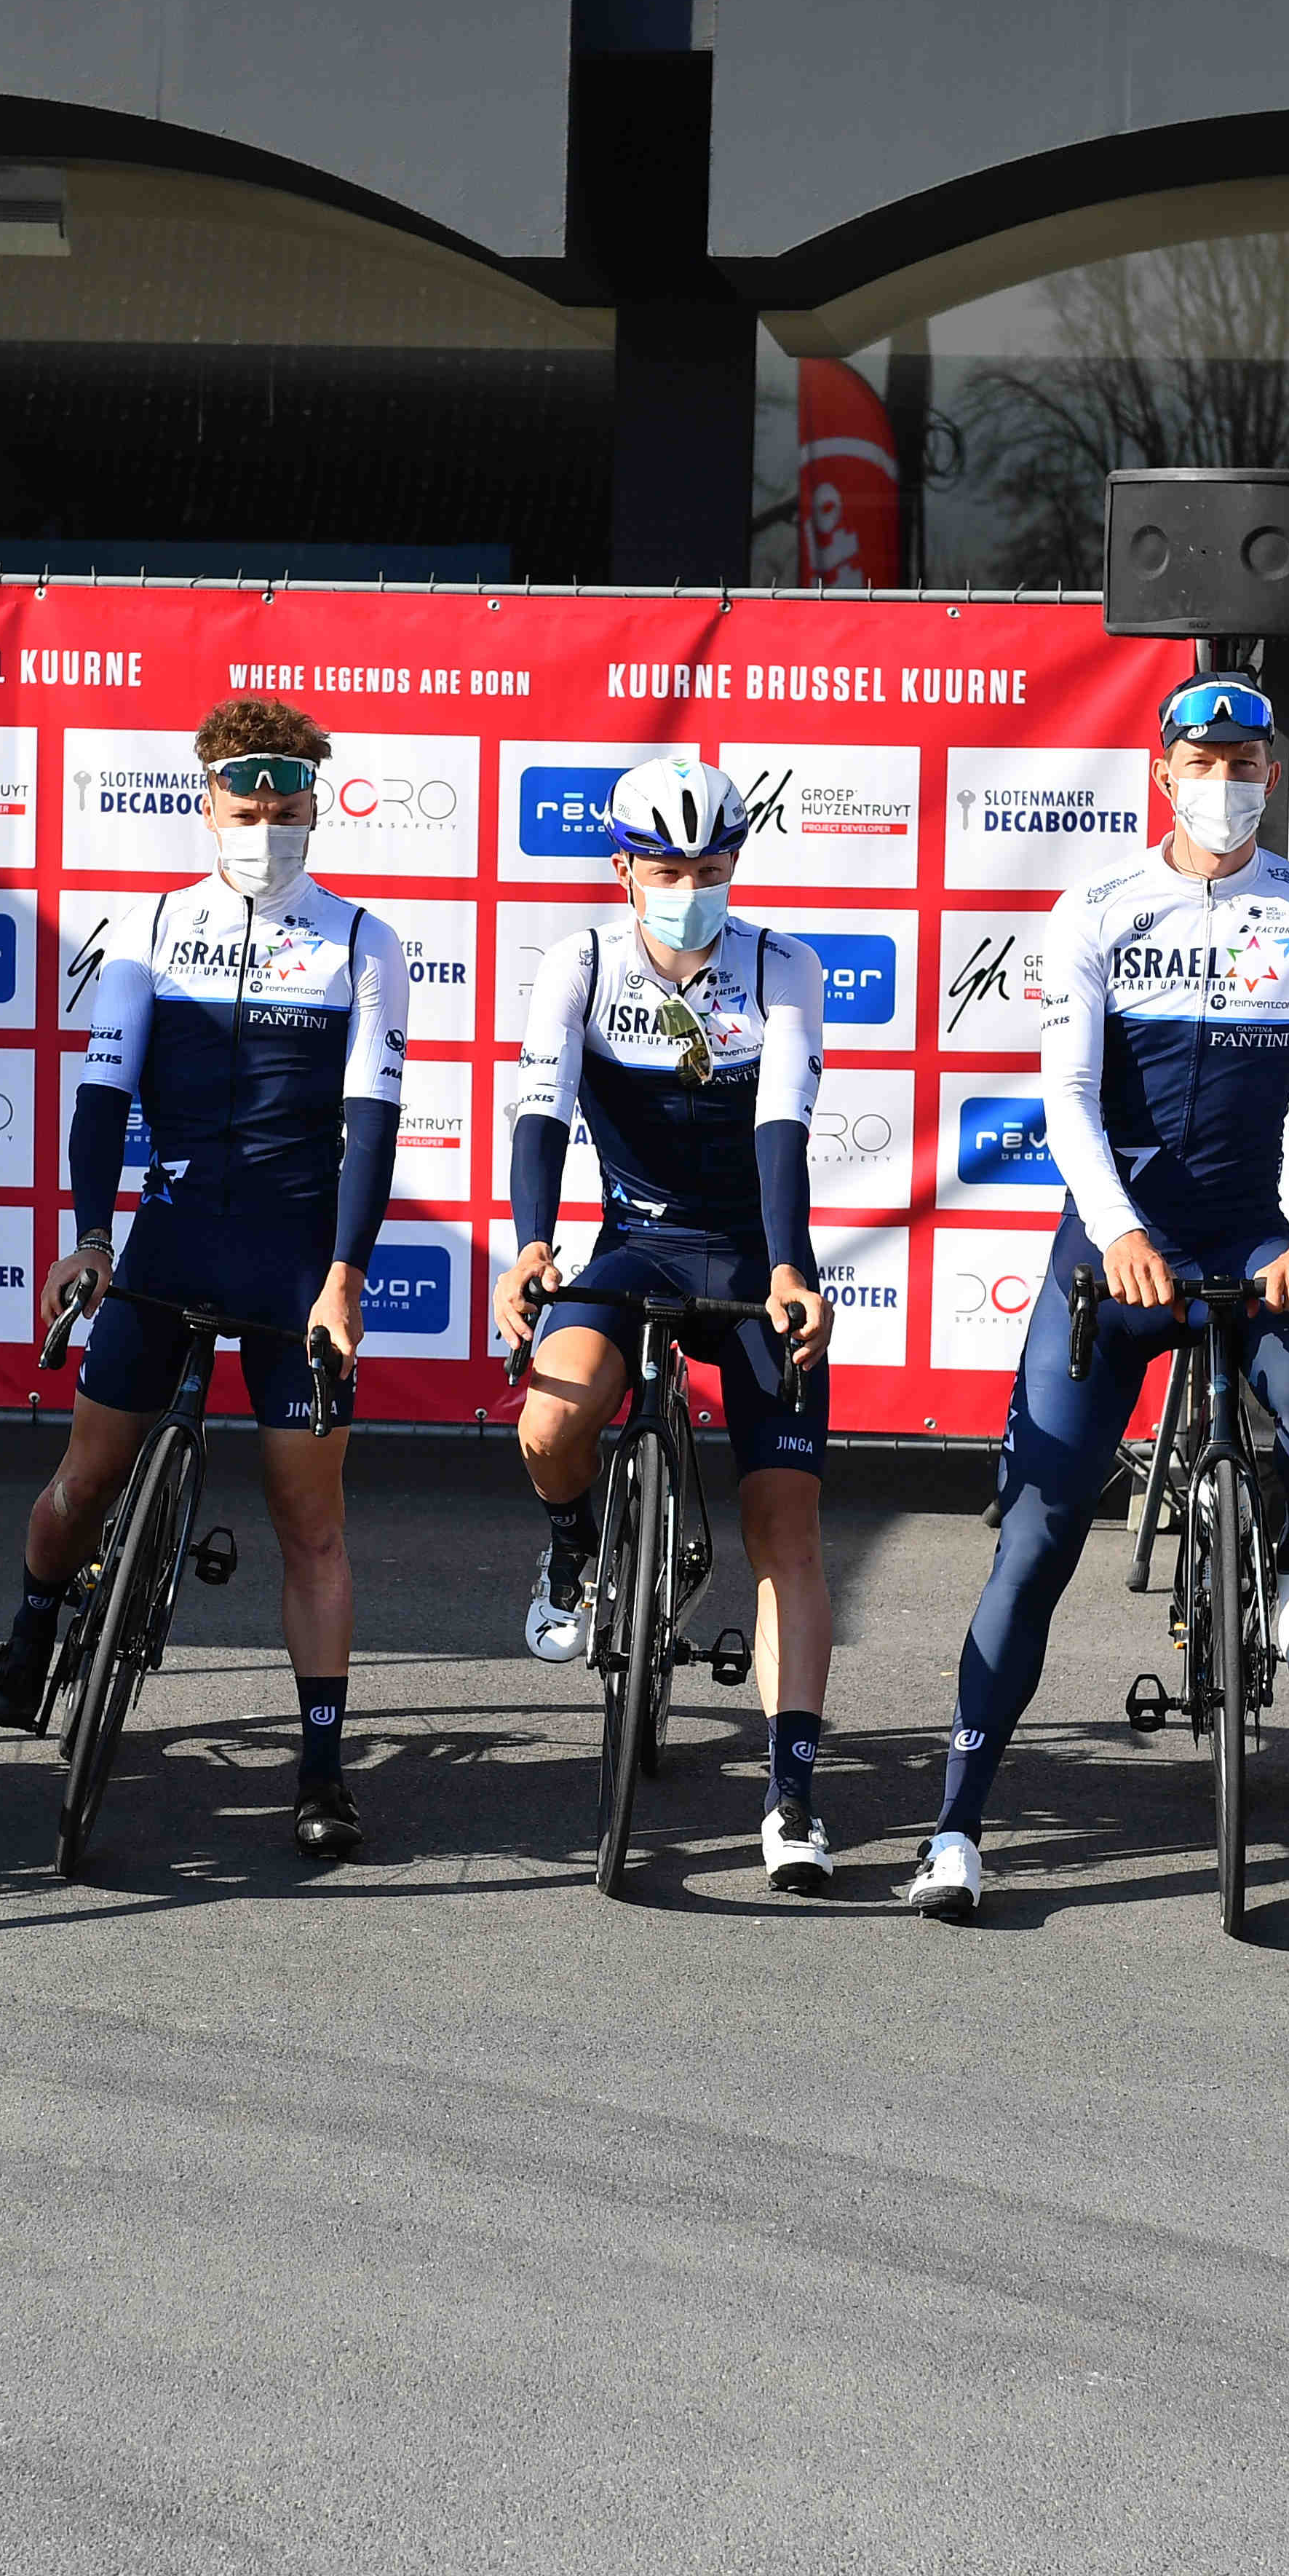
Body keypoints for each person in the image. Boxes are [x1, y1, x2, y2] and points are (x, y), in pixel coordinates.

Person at [897, 673, 1289, 1922]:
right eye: (1202, 761)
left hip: (1260, 1231)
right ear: (1163, 771)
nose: (1225, 781)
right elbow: (1065, 1092)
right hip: (1120, 1242)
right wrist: (1115, 1231)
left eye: (1246, 762)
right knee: (1036, 1540)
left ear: (1271, 774)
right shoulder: (1098, 908)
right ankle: (955, 1828)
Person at [0, 701, 409, 1860]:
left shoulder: (364, 943)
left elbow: (372, 1124)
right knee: (82, 1482)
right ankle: (33, 1626)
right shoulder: (152, 926)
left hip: (289, 1261)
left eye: (286, 811)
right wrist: (89, 1237)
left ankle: (323, 1770)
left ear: (315, 811)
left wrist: (345, 1278)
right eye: (244, 811)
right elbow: (103, 1097)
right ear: (206, 807)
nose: (265, 830)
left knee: (310, 1527)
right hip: (168, 1242)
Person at [493, 753, 840, 1895]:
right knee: (549, 1425)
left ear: (734, 863)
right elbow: (542, 1105)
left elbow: (782, 1122)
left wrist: (788, 1267)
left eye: (709, 866)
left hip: (748, 1252)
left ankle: (791, 1793)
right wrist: (532, 1244)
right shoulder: (583, 962)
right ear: (624, 868)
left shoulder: (783, 966)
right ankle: (573, 1544)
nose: (689, 887)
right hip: (637, 1241)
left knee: (786, 1530)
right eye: (666, 868)